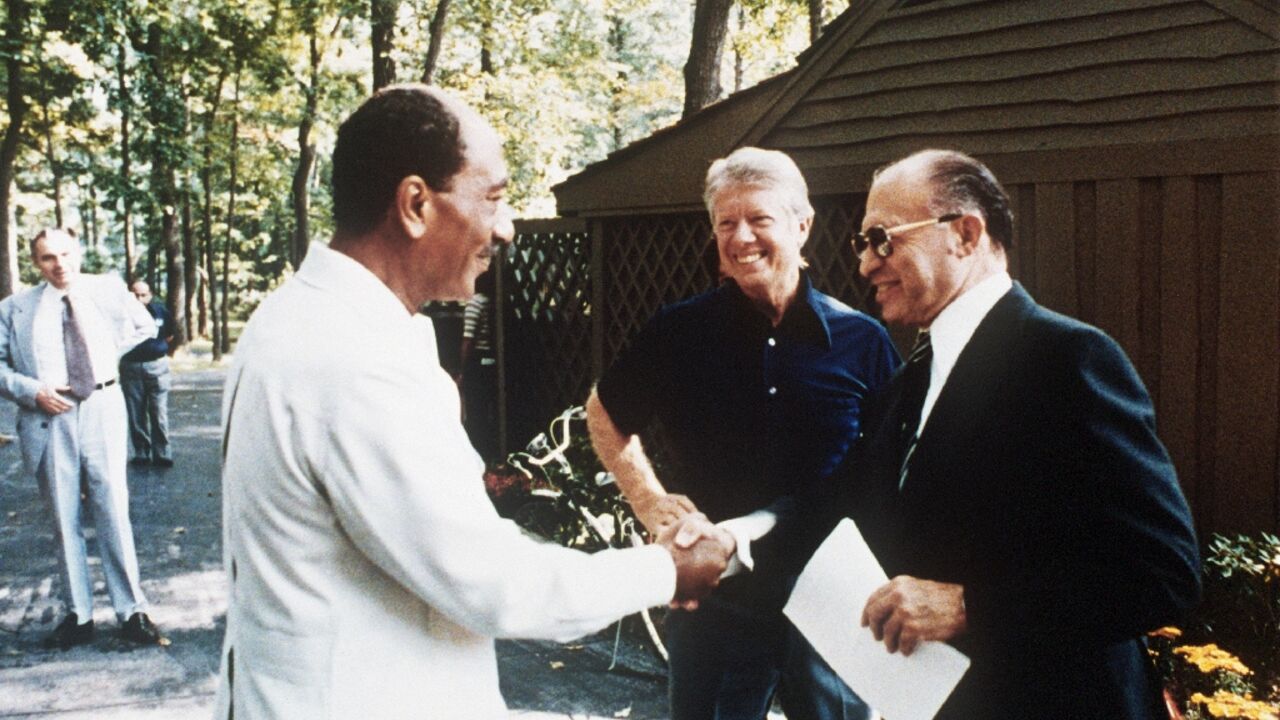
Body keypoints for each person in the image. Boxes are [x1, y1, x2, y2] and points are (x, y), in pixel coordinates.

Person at [214, 84, 732, 720]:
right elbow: (491, 582)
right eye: (493, 198)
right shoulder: (355, 360)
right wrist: (665, 570)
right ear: (415, 204)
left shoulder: (296, 320)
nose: (506, 228)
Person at [813, 149, 1200, 718]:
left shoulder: (1067, 359)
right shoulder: (905, 387)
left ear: (965, 234)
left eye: (883, 240)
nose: (868, 264)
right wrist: (725, 542)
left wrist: (969, 606)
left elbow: (1163, 572)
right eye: (863, 244)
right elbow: (839, 510)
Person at [586, 147, 899, 720]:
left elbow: (890, 467)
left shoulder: (862, 341)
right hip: (716, 599)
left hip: (829, 596)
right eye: (726, 223)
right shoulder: (680, 331)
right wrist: (649, 500)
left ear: (802, 226)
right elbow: (604, 412)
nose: (741, 238)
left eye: (759, 219)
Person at [0, 228, 164, 648]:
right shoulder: (16, 308)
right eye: (48, 258)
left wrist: (106, 358)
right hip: (49, 415)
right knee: (63, 516)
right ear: (36, 263)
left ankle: (131, 611)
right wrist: (32, 390)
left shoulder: (106, 290)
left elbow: (145, 326)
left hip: (102, 405)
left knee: (113, 509)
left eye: (66, 254)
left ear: (78, 252)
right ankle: (79, 614)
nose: (60, 265)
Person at [120, 280, 175, 468]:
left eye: (143, 295)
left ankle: (162, 453)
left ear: (150, 295)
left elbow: (169, 335)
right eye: (135, 295)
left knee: (158, 411)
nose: (139, 299)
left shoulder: (160, 312)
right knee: (135, 411)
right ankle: (141, 451)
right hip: (131, 367)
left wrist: (154, 349)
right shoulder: (121, 315)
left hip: (156, 366)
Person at [459, 268, 498, 460]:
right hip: (492, 360)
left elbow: (469, 339)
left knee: (475, 409)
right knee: (490, 406)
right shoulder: (493, 302)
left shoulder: (475, 303)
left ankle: (477, 450)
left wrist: (462, 368)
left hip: (478, 361)